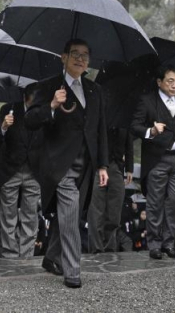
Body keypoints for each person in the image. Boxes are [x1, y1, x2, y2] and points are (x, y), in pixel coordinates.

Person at [25, 38, 109, 289]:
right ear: (63, 57)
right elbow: (29, 120)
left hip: (87, 166)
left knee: (70, 214)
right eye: (75, 54)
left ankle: (51, 257)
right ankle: (72, 270)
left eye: (85, 55)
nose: (80, 59)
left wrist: (103, 165)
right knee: (71, 217)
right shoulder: (49, 86)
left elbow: (100, 130)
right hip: (59, 165)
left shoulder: (96, 91)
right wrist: (51, 105)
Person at [130, 64, 175, 260]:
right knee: (155, 202)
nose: (174, 85)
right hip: (156, 158)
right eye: (170, 81)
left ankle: (169, 243)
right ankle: (154, 244)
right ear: (159, 82)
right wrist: (151, 130)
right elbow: (134, 126)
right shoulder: (147, 101)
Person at [0, 85, 42, 258]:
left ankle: (26, 255)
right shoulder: (9, 109)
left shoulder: (43, 111)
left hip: (34, 170)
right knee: (8, 215)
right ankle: (9, 255)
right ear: (26, 97)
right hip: (10, 169)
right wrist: (4, 126)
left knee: (30, 215)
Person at [87, 127, 134, 253]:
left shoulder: (124, 115)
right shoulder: (100, 110)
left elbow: (129, 142)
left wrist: (130, 168)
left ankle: (110, 247)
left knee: (115, 211)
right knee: (96, 210)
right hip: (96, 165)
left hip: (117, 166)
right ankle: (96, 248)